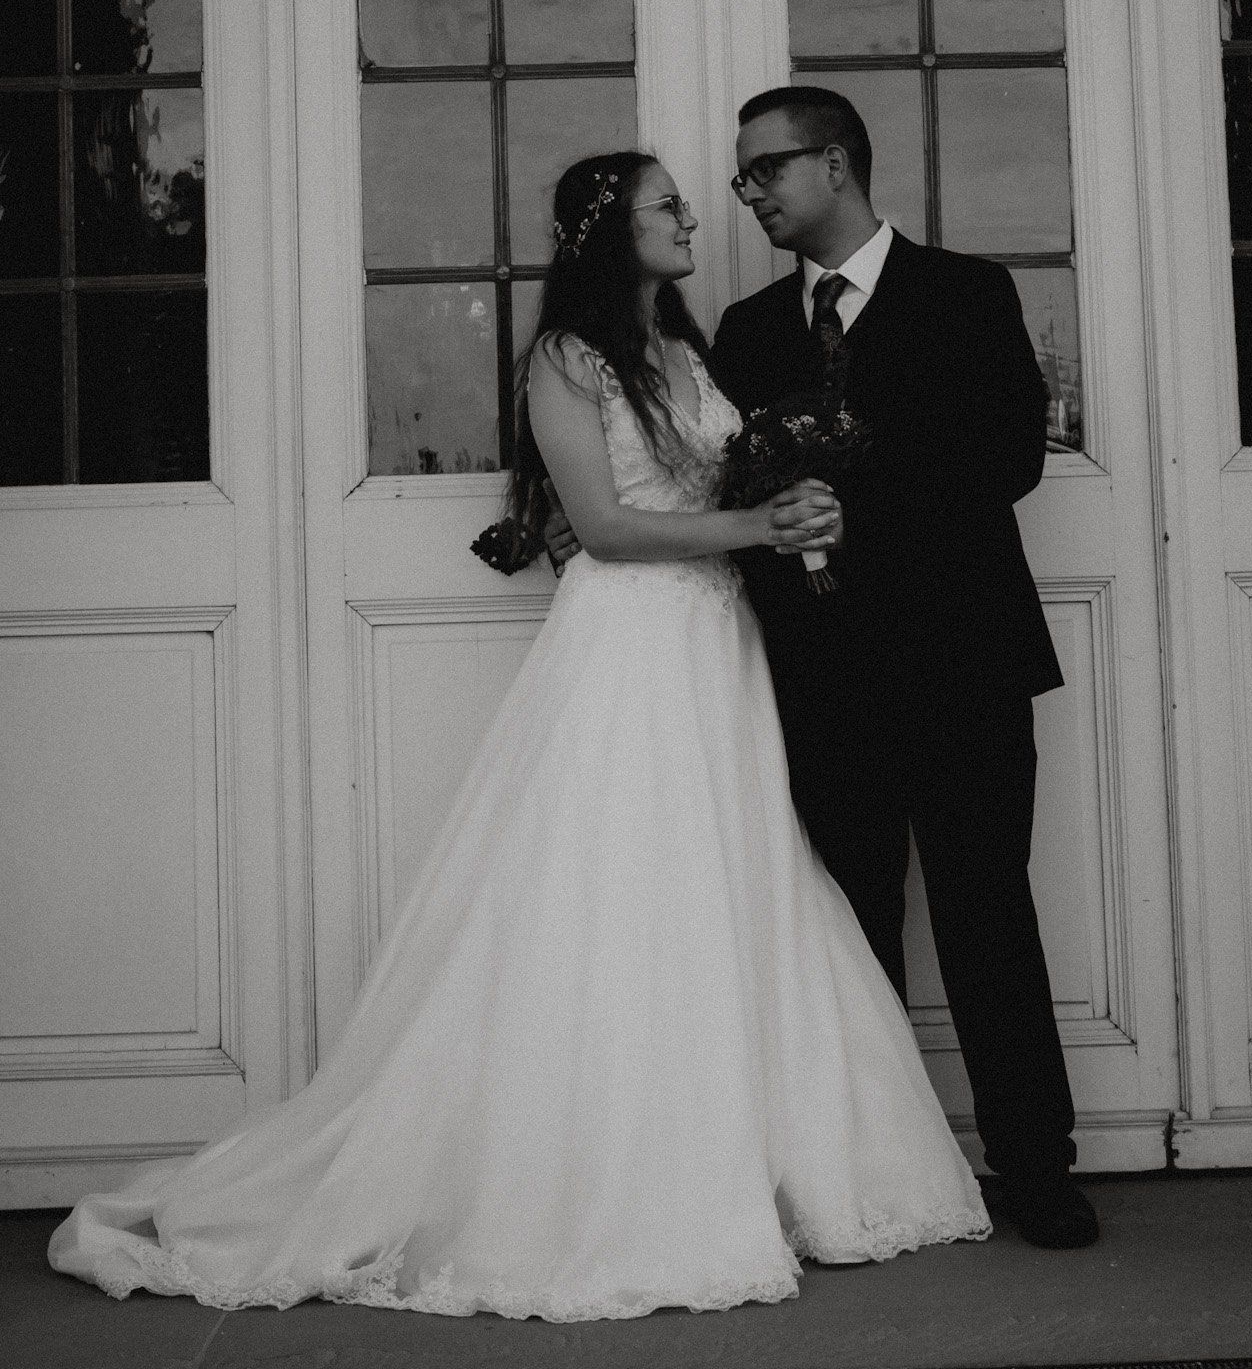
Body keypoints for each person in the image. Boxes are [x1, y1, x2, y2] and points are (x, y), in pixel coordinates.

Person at [49, 149, 990, 1323]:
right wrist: (758, 523)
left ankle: (762, 1163)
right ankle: (613, 1182)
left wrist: (788, 503)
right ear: (612, 230)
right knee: (621, 889)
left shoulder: (689, 348)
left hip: (718, 643)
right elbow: (603, 525)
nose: (691, 217)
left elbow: (708, 484)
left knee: (733, 879)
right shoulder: (564, 358)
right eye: (667, 205)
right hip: (632, 646)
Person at [713, 86, 1097, 1250]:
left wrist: (853, 493)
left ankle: (1035, 1163)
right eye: (742, 177)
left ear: (835, 163)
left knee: (987, 913)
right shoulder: (748, 328)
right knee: (851, 925)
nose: (751, 193)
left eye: (767, 169)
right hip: (823, 677)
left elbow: (1008, 456)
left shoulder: (966, 292)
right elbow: (725, 483)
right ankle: (875, 1173)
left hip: (964, 660)